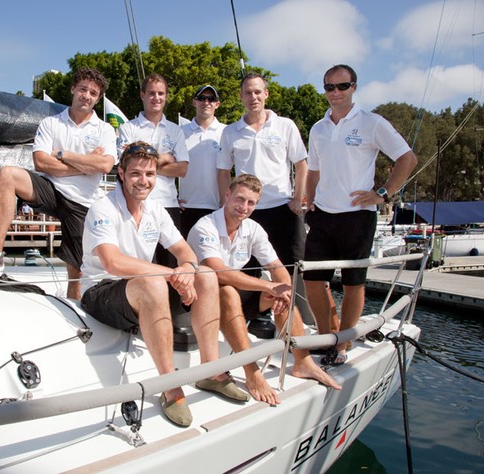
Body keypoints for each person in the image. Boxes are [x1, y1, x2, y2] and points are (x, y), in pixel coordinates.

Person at [80, 141, 248, 428]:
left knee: (206, 275)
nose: (143, 181)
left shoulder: (155, 210)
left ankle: (211, 371)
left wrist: (186, 268)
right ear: (121, 173)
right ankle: (170, 386)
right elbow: (112, 263)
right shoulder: (102, 208)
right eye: (135, 174)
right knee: (155, 283)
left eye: (149, 174)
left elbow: (186, 251)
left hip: (142, 287)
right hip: (101, 291)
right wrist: (171, 275)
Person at [0, 67, 118, 300]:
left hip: (82, 201)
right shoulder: (51, 123)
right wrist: (86, 165)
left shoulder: (104, 129)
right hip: (51, 189)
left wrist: (62, 154)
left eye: (93, 93)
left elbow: (105, 166)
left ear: (97, 98)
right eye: (83, 89)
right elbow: (41, 163)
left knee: (76, 270)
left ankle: (74, 311)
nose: (87, 95)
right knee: (8, 175)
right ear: (73, 88)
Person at [188, 174, 341, 404]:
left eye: (251, 203)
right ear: (227, 195)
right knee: (229, 291)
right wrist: (269, 286)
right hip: (202, 300)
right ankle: (252, 373)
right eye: (240, 199)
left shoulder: (253, 228)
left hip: (237, 296)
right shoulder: (205, 226)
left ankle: (302, 361)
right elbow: (219, 272)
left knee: (281, 294)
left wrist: (284, 290)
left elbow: (277, 266)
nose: (244, 207)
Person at [304, 64, 418, 364]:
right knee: (313, 281)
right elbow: (313, 170)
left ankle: (344, 341)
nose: (335, 93)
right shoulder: (318, 128)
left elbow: (407, 158)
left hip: (358, 215)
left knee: (354, 282)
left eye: (342, 86)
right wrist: (309, 200)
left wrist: (383, 193)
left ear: (354, 87)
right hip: (322, 214)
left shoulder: (372, 123)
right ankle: (325, 335)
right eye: (329, 87)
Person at [217, 72, 312, 330]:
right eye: (247, 92)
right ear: (241, 97)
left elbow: (301, 165)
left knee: (289, 266)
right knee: (247, 268)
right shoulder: (231, 132)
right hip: (247, 210)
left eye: (258, 92)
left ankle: (293, 318)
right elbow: (223, 171)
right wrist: (227, 206)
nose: (253, 97)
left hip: (283, 207)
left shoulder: (285, 126)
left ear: (266, 94)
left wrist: (297, 198)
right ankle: (256, 317)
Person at [118, 73, 189, 267]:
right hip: (135, 205)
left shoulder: (175, 130)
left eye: (161, 93)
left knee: (172, 267)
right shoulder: (128, 128)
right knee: (141, 266)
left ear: (166, 96)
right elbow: (126, 166)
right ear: (142, 95)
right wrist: (165, 158)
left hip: (169, 204)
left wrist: (143, 163)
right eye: (151, 93)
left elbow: (182, 169)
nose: (156, 98)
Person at [178, 85, 225, 238]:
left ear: (217, 104)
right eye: (201, 98)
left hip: (218, 208)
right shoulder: (180, 132)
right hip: (186, 208)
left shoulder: (227, 132)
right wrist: (172, 197)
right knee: (187, 259)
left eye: (211, 99)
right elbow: (168, 167)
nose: (206, 102)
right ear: (194, 102)